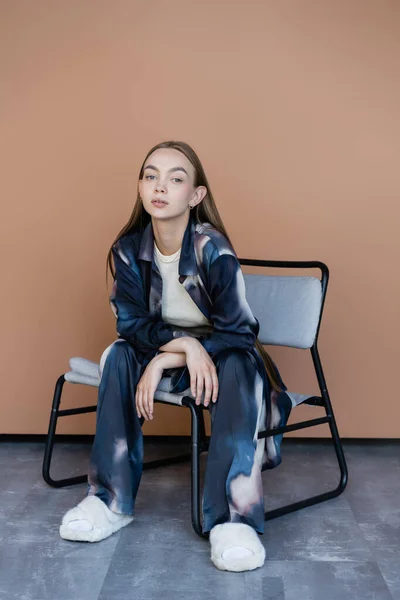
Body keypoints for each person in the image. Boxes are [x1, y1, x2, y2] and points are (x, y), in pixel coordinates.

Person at [59, 140, 293, 572]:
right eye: (151, 175)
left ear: (196, 195)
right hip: (168, 352)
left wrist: (172, 357)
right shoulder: (128, 250)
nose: (160, 187)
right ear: (141, 187)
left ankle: (233, 519)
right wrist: (182, 346)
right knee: (118, 355)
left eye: (176, 178)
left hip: (224, 356)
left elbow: (239, 332)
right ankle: (108, 501)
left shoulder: (212, 247)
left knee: (241, 365)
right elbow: (129, 324)